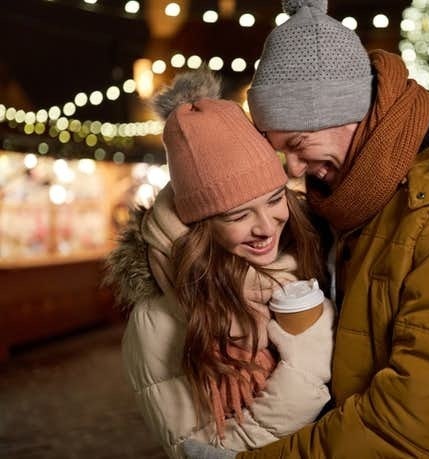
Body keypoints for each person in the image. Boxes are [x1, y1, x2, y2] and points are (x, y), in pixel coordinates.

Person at [185, 0, 429, 457]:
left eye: (298, 144)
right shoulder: (368, 198)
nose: (293, 167)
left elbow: (418, 415)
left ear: (347, 113)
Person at [105, 69, 335, 459]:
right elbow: (197, 449)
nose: (266, 227)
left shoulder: (313, 252)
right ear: (202, 226)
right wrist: (312, 353)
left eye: (274, 200)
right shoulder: (159, 317)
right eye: (237, 216)